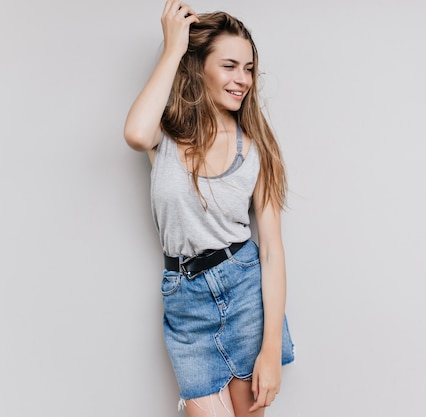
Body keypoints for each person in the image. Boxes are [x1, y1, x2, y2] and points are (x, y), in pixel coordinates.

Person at [123, 2, 294, 416]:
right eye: (230, 65)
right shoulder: (166, 134)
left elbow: (271, 250)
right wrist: (173, 48)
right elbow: (134, 133)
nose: (243, 80)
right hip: (186, 301)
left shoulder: (257, 149)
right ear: (198, 67)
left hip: (244, 291)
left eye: (249, 68)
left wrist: (270, 350)